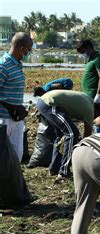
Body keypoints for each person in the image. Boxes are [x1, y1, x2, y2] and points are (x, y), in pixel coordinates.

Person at [36, 90, 94, 181]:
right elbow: (87, 135)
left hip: (44, 102)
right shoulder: (91, 111)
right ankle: (64, 172)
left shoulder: (89, 101)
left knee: (61, 136)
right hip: (51, 104)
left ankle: (54, 168)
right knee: (72, 134)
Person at [0, 32, 33, 161]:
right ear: (21, 48)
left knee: (16, 154)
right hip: (3, 118)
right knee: (3, 156)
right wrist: (11, 107)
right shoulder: (3, 66)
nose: (28, 53)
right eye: (28, 50)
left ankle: (13, 180)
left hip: (16, 118)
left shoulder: (17, 65)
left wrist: (18, 108)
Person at [76, 39, 100, 104]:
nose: (83, 54)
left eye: (83, 52)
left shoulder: (98, 59)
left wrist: (98, 94)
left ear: (89, 48)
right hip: (87, 94)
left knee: (95, 113)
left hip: (94, 94)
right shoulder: (90, 59)